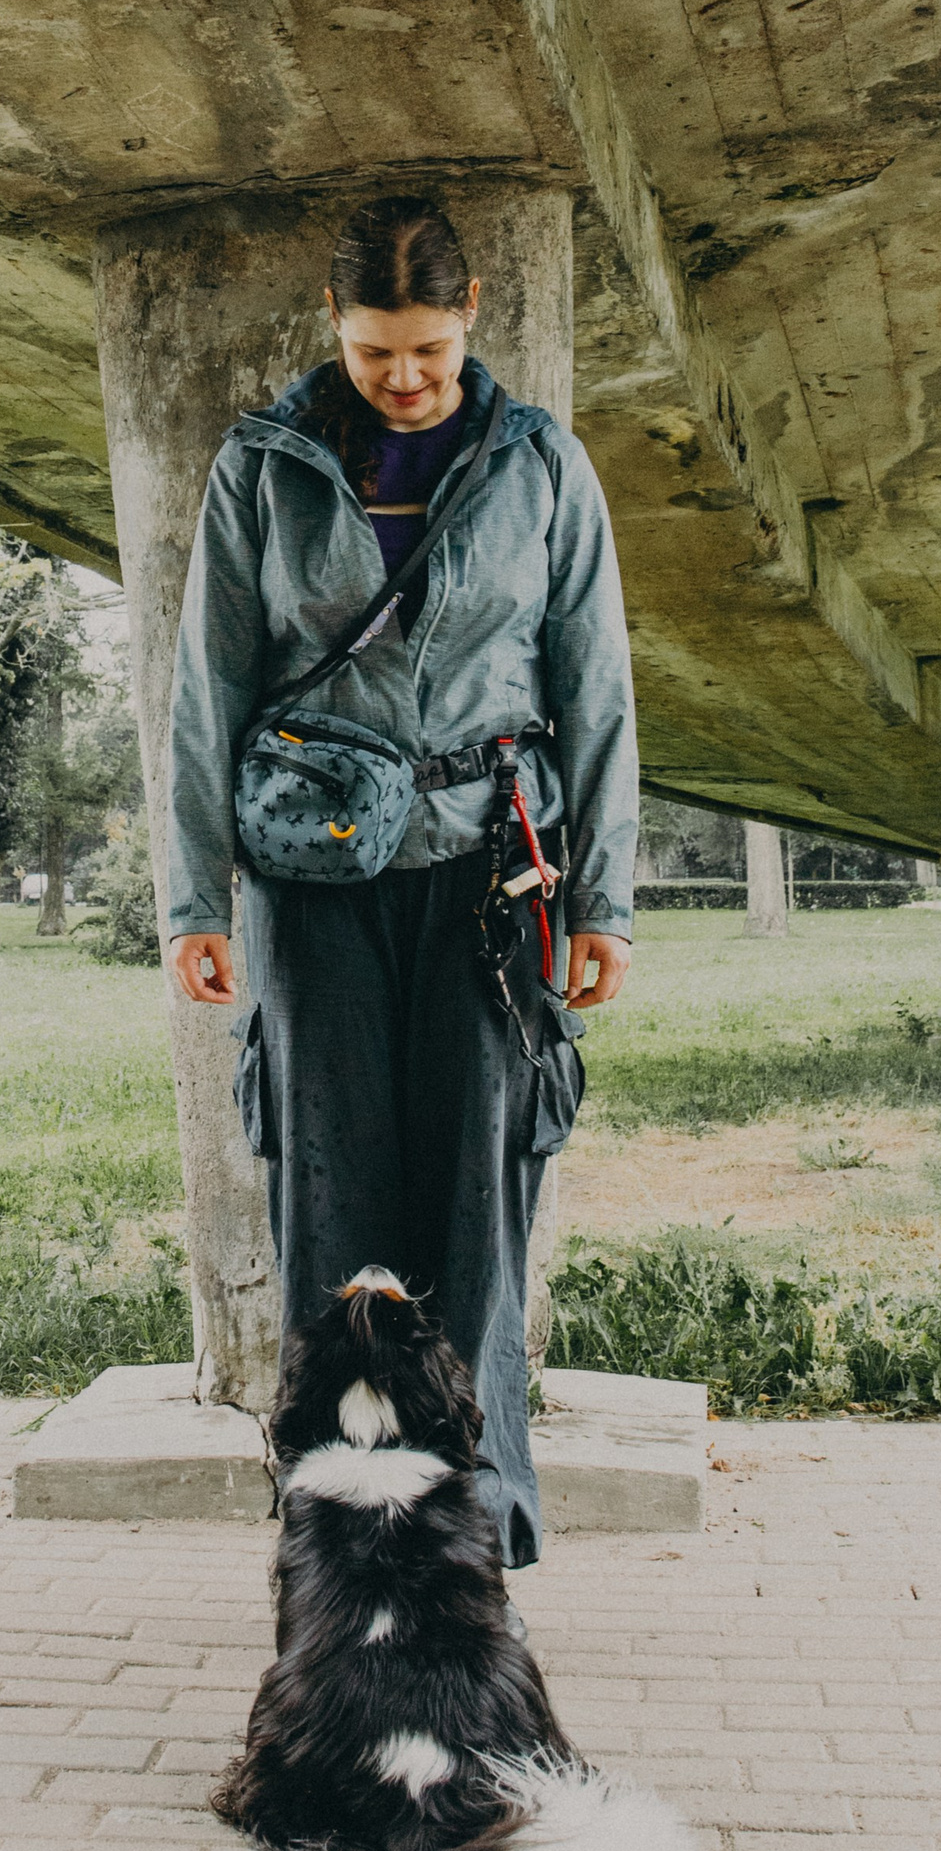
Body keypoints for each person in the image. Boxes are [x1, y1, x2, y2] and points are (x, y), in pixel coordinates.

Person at [165, 194, 637, 1568]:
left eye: (428, 348)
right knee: (330, 1201)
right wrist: (195, 900)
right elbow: (209, 692)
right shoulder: (264, 469)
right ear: (335, 327)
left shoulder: (541, 467)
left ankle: (477, 1535)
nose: (409, 378)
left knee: (478, 1207)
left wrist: (603, 899)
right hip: (310, 890)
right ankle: (336, 1534)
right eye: (379, 353)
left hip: (491, 880)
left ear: (472, 311)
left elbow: (595, 686)